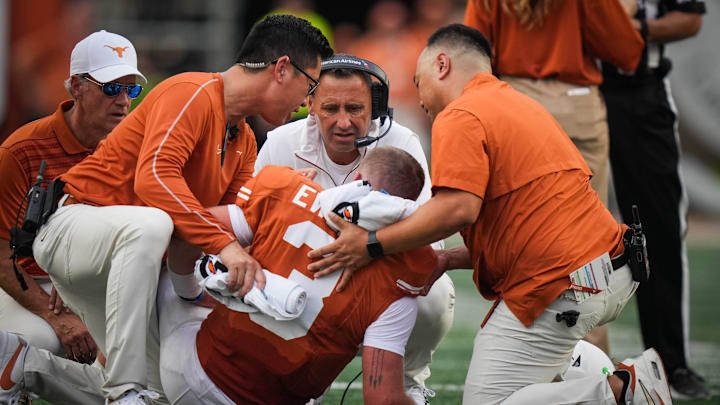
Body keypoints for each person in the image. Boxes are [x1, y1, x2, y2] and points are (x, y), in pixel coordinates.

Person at [306, 24, 671, 404]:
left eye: (419, 82)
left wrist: (371, 244)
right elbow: (520, 223)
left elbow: (458, 209)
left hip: (562, 282)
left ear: (442, 64)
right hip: (604, 268)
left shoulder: (461, 113)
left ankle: (623, 391)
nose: (421, 99)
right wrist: (446, 257)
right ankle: (594, 373)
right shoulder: (517, 103)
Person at [23, 14, 332, 404]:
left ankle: (21, 365)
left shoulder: (244, 140)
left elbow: (235, 221)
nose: (308, 101)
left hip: (131, 260)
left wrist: (285, 195)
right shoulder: (193, 91)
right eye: (312, 84)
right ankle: (124, 391)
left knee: (171, 391)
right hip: (75, 226)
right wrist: (226, 248)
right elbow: (154, 179)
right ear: (282, 69)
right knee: (152, 225)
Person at [1, 146, 437, 405]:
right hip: (258, 394)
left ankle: (30, 365)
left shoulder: (284, 187)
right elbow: (381, 399)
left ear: (356, 178)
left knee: (164, 250)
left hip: (190, 364)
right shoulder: (400, 278)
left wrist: (192, 291)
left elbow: (184, 227)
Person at [256, 54, 455, 403]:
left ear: (375, 107)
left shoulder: (403, 142)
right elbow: (250, 223)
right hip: (301, 271)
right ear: (310, 103)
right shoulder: (280, 144)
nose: (343, 122)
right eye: (331, 108)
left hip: (380, 273)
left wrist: (370, 244)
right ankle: (288, 379)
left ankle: (407, 380)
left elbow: (429, 237)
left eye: (355, 108)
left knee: (434, 294)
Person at [463, 0, 645, 354]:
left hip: (513, 103)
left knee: (518, 238)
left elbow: (472, 51)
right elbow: (627, 52)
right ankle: (593, 366)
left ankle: (522, 356)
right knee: (588, 244)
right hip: (576, 102)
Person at [0, 30, 145, 365]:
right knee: (36, 342)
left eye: (131, 89)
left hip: (101, 284)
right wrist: (56, 317)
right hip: (32, 285)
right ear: (77, 88)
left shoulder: (138, 148)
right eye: (111, 88)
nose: (123, 100)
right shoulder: (21, 151)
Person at [600, 0, 708, 399]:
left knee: (659, 226)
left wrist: (625, 32)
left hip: (641, 91)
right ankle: (564, 355)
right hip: (571, 89)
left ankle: (670, 361)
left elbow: (690, 19)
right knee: (559, 224)